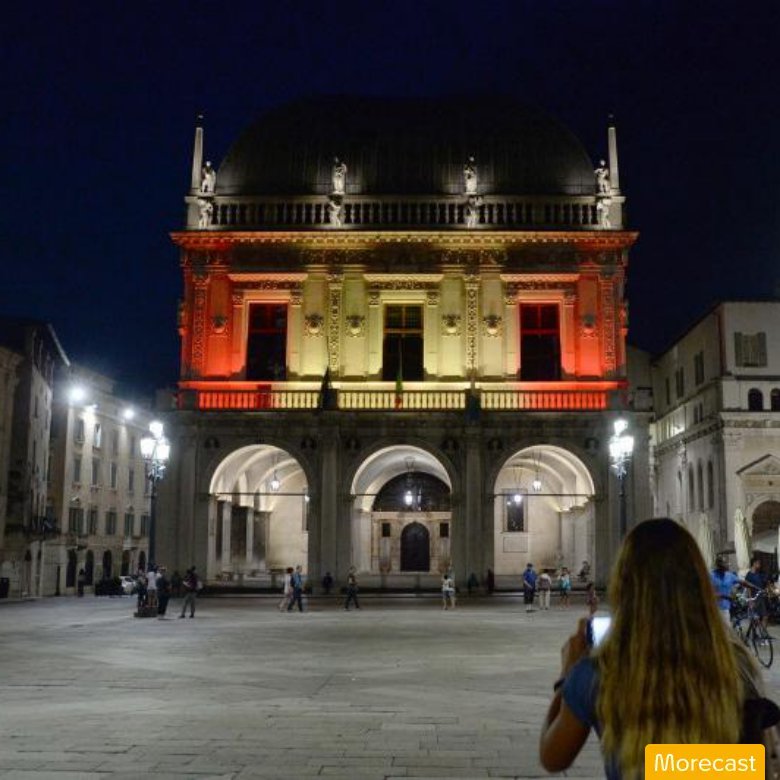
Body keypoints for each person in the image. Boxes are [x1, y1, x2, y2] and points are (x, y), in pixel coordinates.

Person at [539, 518, 777, 779]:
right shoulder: (735, 662)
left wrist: (567, 676)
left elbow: (553, 757)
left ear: (624, 587)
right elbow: (754, 766)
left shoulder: (599, 673)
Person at [711, 554, 752, 624]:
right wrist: (724, 596)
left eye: (728, 563)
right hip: (714, 608)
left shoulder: (729, 575)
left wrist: (755, 587)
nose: (728, 565)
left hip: (726, 608)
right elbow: (708, 592)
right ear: (720, 565)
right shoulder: (712, 575)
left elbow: (743, 582)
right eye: (726, 563)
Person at [745, 556, 769, 631]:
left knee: (765, 616)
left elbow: (764, 584)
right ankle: (754, 634)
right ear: (754, 563)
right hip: (754, 598)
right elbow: (748, 588)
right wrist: (750, 600)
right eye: (758, 563)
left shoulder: (759, 574)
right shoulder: (749, 575)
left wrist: (766, 589)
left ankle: (763, 634)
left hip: (761, 598)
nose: (760, 565)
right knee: (755, 619)